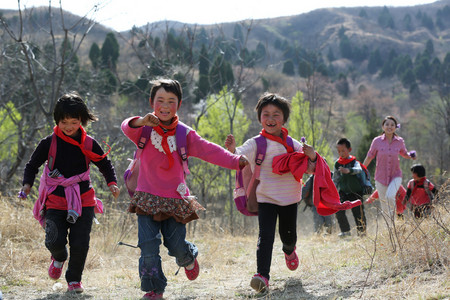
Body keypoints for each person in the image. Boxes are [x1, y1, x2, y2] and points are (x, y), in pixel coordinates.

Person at [121, 78, 248, 300]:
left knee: (175, 244)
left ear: (178, 105)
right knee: (148, 248)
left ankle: (188, 257)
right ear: (152, 102)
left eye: (171, 101)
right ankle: (154, 290)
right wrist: (142, 121)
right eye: (160, 100)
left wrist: (236, 160)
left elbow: (211, 151)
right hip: (146, 199)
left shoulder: (184, 134)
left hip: (175, 200)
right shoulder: (143, 130)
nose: (165, 105)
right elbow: (125, 126)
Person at [19, 92, 120, 293]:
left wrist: (112, 183)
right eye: (64, 122)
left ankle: (74, 281)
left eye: (73, 122)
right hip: (56, 199)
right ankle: (58, 257)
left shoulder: (89, 143)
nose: (69, 127)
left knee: (80, 243)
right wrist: (27, 185)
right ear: (57, 121)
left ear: (81, 120)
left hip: (84, 200)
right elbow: (32, 166)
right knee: (53, 239)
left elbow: (104, 164)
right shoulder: (49, 143)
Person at [225, 93, 317, 294]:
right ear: (260, 119)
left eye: (276, 114)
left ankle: (289, 250)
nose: (270, 118)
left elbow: (310, 168)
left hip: (290, 197)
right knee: (265, 236)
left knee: (288, 235)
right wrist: (232, 149)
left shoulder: (292, 144)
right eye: (265, 114)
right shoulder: (256, 143)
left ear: (283, 119)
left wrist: (312, 155)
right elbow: (238, 156)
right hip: (265, 197)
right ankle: (262, 276)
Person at [362, 116, 416, 221]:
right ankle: (390, 228)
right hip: (380, 177)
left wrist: (411, 155)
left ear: (395, 127)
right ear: (383, 127)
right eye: (387, 124)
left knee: (390, 196)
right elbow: (370, 156)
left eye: (392, 125)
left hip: (396, 176)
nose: (389, 127)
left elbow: (404, 153)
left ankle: (395, 221)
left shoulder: (399, 141)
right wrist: (363, 169)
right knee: (384, 204)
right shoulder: (377, 141)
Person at [333, 138, 367, 237]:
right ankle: (345, 231)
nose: (341, 153)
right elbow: (336, 179)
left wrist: (348, 170)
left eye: (343, 150)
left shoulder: (354, 162)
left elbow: (358, 169)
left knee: (358, 213)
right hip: (343, 191)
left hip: (356, 192)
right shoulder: (337, 164)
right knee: (339, 211)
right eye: (339, 151)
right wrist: (332, 190)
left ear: (349, 150)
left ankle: (362, 233)